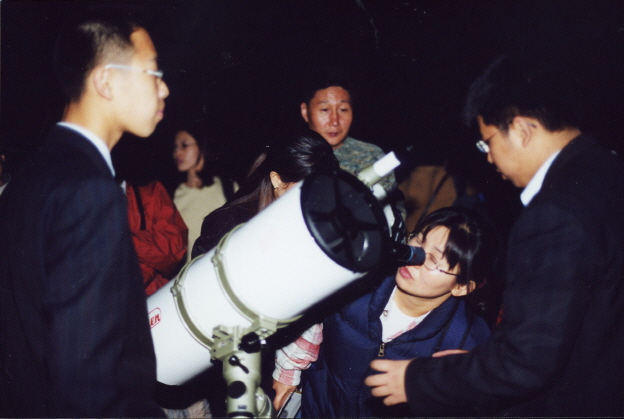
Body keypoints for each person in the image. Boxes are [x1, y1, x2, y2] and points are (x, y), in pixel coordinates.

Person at [365, 54, 624, 416]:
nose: (488, 159)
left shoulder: (554, 214)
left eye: (486, 142)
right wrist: (478, 366)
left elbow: (528, 360)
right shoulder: (610, 172)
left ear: (521, 129)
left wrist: (418, 379)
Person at [0, 11, 169, 417]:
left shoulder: (27, 182)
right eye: (152, 72)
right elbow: (88, 379)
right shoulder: (90, 192)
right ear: (105, 81)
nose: (164, 89)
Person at [272, 207, 497, 417]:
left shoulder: (468, 342)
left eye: (433, 260)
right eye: (419, 239)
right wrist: (288, 373)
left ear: (462, 286)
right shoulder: (360, 278)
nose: (413, 257)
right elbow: (314, 318)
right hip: (319, 406)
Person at [192, 130, 339, 257]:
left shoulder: (320, 224)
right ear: (276, 180)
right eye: (304, 189)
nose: (313, 199)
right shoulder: (229, 224)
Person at [300, 70, 396, 194]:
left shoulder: (372, 156)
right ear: (305, 111)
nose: (334, 121)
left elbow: (392, 210)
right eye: (324, 109)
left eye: (343, 109)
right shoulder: (289, 157)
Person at [173, 126, 236, 263]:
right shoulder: (173, 195)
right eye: (175, 147)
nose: (177, 152)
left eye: (184, 145)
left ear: (202, 146)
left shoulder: (228, 188)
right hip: (190, 277)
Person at [124, 180, 188, 296]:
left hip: (157, 298)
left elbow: (174, 248)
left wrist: (126, 240)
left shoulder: (149, 192)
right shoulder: (86, 201)